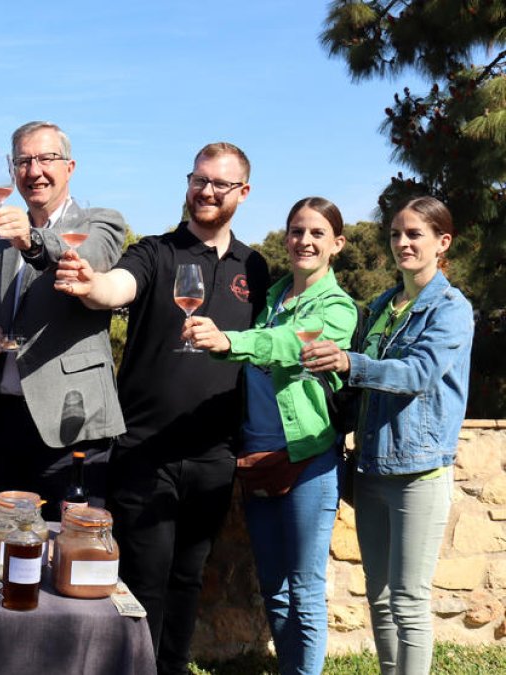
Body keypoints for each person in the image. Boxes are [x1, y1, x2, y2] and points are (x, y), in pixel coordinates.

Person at [56, 142, 271, 674]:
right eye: (198, 179)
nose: (206, 191)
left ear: (243, 193)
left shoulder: (256, 266)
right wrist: (91, 286)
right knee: (145, 579)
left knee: (188, 578)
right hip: (145, 449)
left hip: (214, 452)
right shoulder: (156, 252)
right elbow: (116, 287)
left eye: (220, 184)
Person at [183, 197, 357, 675]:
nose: (305, 241)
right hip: (257, 457)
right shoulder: (275, 294)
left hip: (308, 461)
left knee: (304, 588)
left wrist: (230, 341)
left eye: (317, 234)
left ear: (337, 245)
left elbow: (290, 344)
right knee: (274, 588)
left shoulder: (339, 307)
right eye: (297, 231)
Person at [304, 196, 473, 675]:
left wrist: (350, 362)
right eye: (396, 233)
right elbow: (359, 384)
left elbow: (416, 373)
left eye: (414, 234)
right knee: (378, 598)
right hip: (372, 466)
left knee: (410, 602)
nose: (402, 243)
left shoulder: (451, 308)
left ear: (443, 243)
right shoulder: (382, 304)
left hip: (419, 472)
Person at [0, 121, 126, 521]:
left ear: (69, 167)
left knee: (65, 557)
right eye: (24, 161)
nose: (34, 170)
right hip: (3, 425)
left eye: (46, 159)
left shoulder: (101, 222)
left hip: (71, 425)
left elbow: (87, 260)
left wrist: (33, 241)